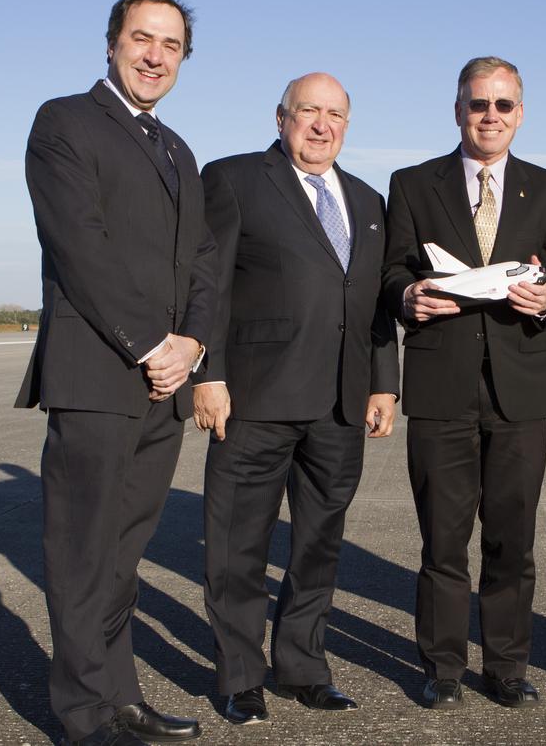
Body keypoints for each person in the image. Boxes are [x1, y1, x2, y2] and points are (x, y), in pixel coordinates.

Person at [15, 0, 216, 746]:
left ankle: (122, 695)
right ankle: (82, 712)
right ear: (111, 42)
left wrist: (192, 344)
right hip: (100, 371)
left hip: (164, 384)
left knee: (124, 555)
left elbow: (201, 258)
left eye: (171, 45)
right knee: (82, 550)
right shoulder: (64, 122)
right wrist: (152, 344)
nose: (155, 55)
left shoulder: (177, 148)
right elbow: (81, 246)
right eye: (142, 38)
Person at [191, 73, 399, 725]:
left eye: (334, 114)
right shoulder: (234, 180)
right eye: (309, 110)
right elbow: (208, 284)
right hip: (253, 399)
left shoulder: (366, 198)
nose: (321, 125)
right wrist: (207, 371)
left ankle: (303, 665)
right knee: (238, 546)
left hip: (339, 405)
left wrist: (385, 381)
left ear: (347, 123)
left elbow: (374, 302)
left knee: (318, 544)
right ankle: (240, 676)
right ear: (281, 116)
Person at [382, 56, 546, 710]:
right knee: (442, 539)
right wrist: (408, 296)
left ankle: (507, 665)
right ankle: (440, 666)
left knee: (512, 540)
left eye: (503, 105)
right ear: (458, 108)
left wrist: (544, 301)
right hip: (441, 388)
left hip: (521, 391)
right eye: (478, 104)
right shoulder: (411, 183)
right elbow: (389, 273)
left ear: (520, 112)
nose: (490, 116)